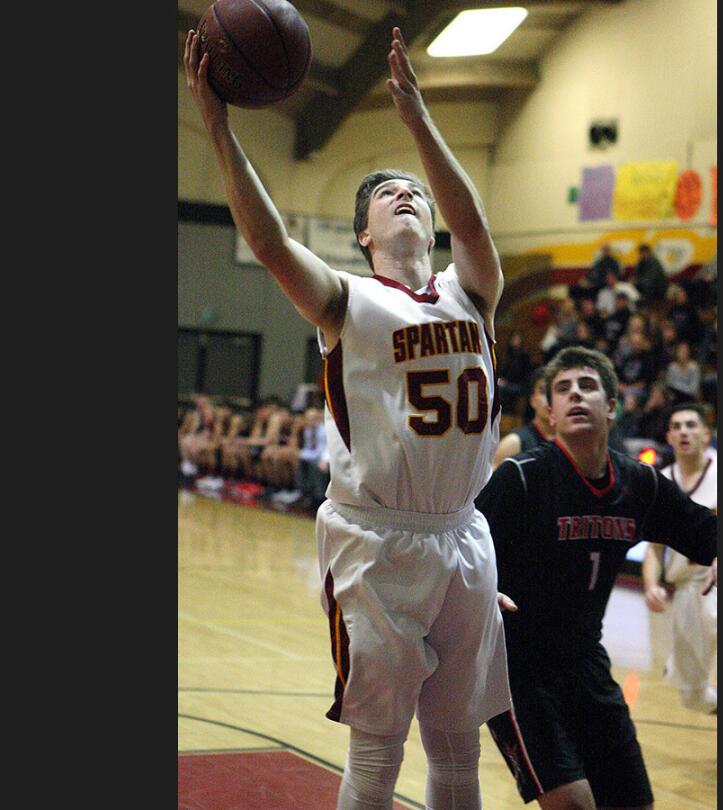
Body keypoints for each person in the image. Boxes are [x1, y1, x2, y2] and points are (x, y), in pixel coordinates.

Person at [185, 25, 510, 810]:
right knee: (377, 755)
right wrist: (220, 128)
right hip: (377, 540)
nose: (408, 195)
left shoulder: (475, 292)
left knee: (459, 751)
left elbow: (472, 228)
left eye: (418, 194)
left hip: (464, 534)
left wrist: (420, 123)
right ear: (362, 234)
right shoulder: (347, 300)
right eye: (386, 195)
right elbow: (266, 243)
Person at [476, 347, 717, 810]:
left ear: (611, 406)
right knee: (574, 804)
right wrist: (481, 588)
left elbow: (705, 532)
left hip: (586, 661)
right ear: (549, 412)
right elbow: (462, 549)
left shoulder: (639, 485)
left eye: (587, 386)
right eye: (562, 389)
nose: (575, 396)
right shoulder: (521, 479)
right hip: (517, 670)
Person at [640, 404, 718, 715]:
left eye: (691, 425)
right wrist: (650, 586)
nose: (684, 431)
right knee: (691, 697)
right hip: (685, 588)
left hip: (715, 580)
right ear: (669, 437)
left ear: (706, 434)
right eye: (677, 426)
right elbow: (654, 549)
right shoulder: (661, 481)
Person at [492, 366, 553, 468]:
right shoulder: (514, 443)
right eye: (544, 392)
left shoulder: (571, 442)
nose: (550, 399)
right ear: (532, 400)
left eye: (556, 391)